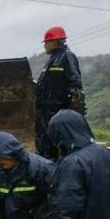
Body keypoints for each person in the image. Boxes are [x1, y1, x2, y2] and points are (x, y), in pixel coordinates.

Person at [35, 26, 85, 161]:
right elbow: (45, 84)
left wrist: (73, 110)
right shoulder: (52, 59)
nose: (44, 45)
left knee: (58, 147)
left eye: (46, 42)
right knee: (46, 146)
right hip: (46, 113)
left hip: (57, 112)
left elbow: (75, 85)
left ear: (55, 42)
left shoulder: (67, 57)